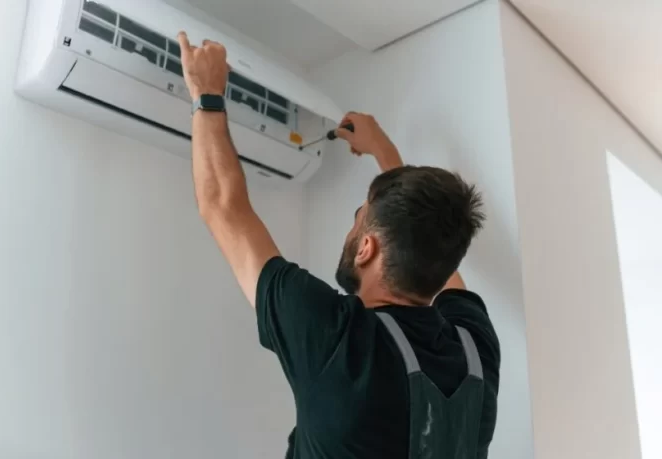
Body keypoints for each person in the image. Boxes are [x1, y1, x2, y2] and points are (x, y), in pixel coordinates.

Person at [178, 32, 500, 459]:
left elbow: (223, 204)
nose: (349, 232)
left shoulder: (339, 339)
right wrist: (384, 152)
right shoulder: (475, 349)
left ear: (366, 247)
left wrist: (206, 92)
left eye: (356, 220)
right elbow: (433, 246)